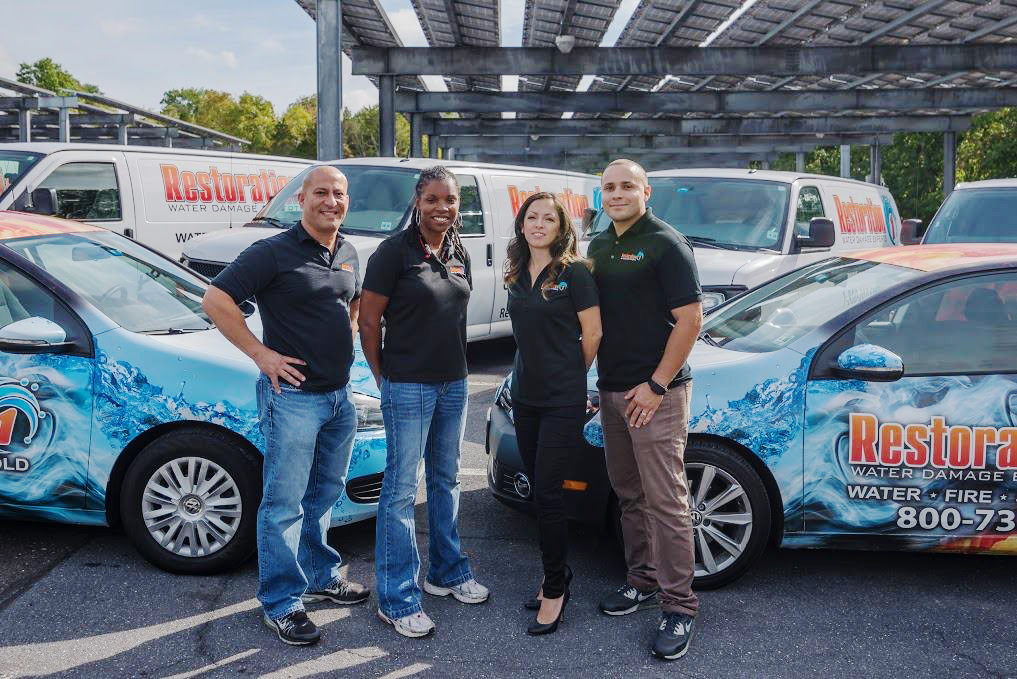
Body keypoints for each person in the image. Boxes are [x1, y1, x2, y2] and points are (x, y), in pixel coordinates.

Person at [202, 165, 370, 647]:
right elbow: (216, 300)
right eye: (321, 192)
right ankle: (280, 602)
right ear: (301, 199)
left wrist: (349, 338)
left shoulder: (348, 251)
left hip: (340, 398)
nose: (331, 201)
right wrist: (262, 354)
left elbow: (351, 304)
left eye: (339, 194)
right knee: (283, 503)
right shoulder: (271, 252)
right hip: (293, 400)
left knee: (324, 494)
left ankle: (320, 575)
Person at [359, 165, 489, 639]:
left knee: (446, 478)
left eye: (451, 200)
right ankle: (396, 598)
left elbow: (453, 317)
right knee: (399, 490)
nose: (442, 208)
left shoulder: (458, 250)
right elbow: (369, 323)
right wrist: (384, 376)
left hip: (453, 383)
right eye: (433, 199)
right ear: (417, 201)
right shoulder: (392, 253)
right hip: (407, 384)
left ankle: (447, 573)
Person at [587, 159, 704, 661]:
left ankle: (680, 608)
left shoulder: (665, 243)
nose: (616, 194)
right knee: (629, 494)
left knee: (668, 501)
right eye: (608, 188)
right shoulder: (599, 243)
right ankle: (643, 582)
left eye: (626, 186)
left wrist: (656, 385)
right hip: (611, 390)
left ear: (646, 192)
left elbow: (690, 320)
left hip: (655, 394)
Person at [504, 192, 602, 636]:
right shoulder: (514, 272)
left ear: (562, 228)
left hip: (562, 399)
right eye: (532, 217)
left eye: (548, 218)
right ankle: (553, 574)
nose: (539, 224)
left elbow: (593, 332)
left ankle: (556, 587)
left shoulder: (575, 273)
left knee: (548, 492)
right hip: (524, 396)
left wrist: (569, 374)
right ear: (522, 224)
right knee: (537, 494)